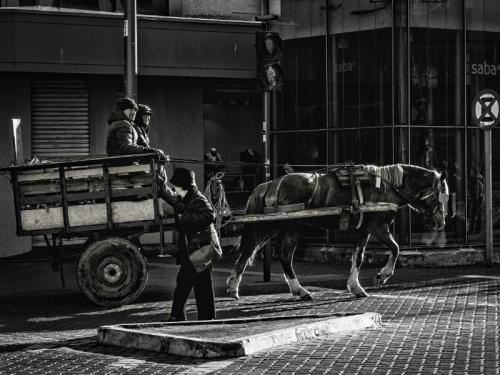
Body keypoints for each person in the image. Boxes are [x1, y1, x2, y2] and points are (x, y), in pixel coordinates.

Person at [168, 167, 222, 321]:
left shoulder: (197, 198)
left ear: (184, 185)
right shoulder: (185, 199)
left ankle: (179, 316)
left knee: (188, 284)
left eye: (176, 186)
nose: (175, 189)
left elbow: (209, 215)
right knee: (198, 284)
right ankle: (204, 317)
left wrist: (184, 217)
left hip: (199, 249)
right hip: (193, 250)